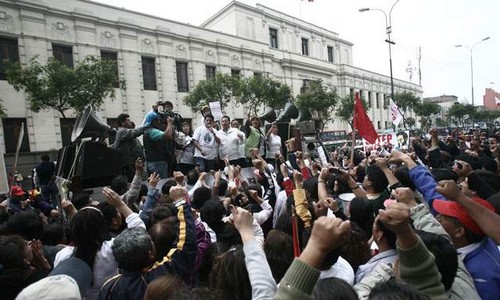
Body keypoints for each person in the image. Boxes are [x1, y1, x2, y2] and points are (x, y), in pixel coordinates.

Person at [110, 113, 148, 181]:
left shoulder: (124, 132)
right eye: (127, 120)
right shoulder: (122, 131)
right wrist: (148, 126)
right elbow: (135, 132)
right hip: (130, 166)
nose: (130, 121)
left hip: (134, 164)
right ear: (122, 122)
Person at [142, 111, 176, 179]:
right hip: (158, 163)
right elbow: (168, 135)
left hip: (152, 162)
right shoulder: (152, 131)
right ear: (154, 121)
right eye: (158, 120)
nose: (159, 122)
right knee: (161, 183)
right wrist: (170, 123)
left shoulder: (147, 131)